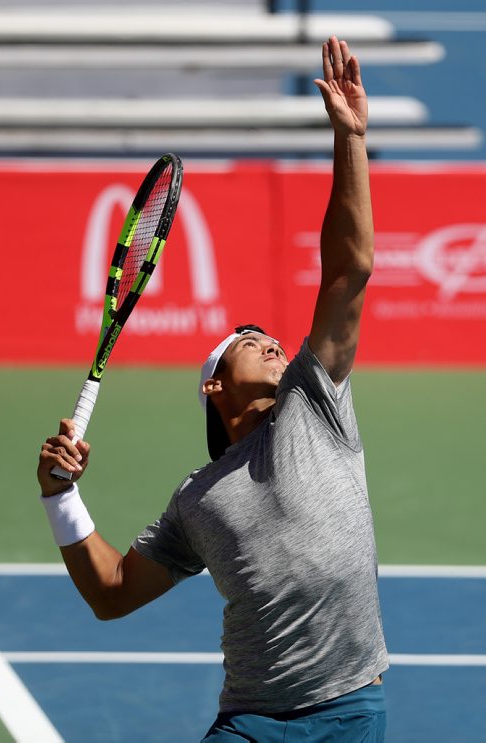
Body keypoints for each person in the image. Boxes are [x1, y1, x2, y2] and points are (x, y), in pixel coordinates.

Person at [38, 36, 389, 742]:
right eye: (246, 339)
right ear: (214, 383)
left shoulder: (314, 409)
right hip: (252, 722)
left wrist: (349, 139)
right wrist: (59, 495)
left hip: (352, 709)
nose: (271, 339)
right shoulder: (196, 498)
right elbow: (111, 592)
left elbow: (348, 271)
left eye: (272, 338)